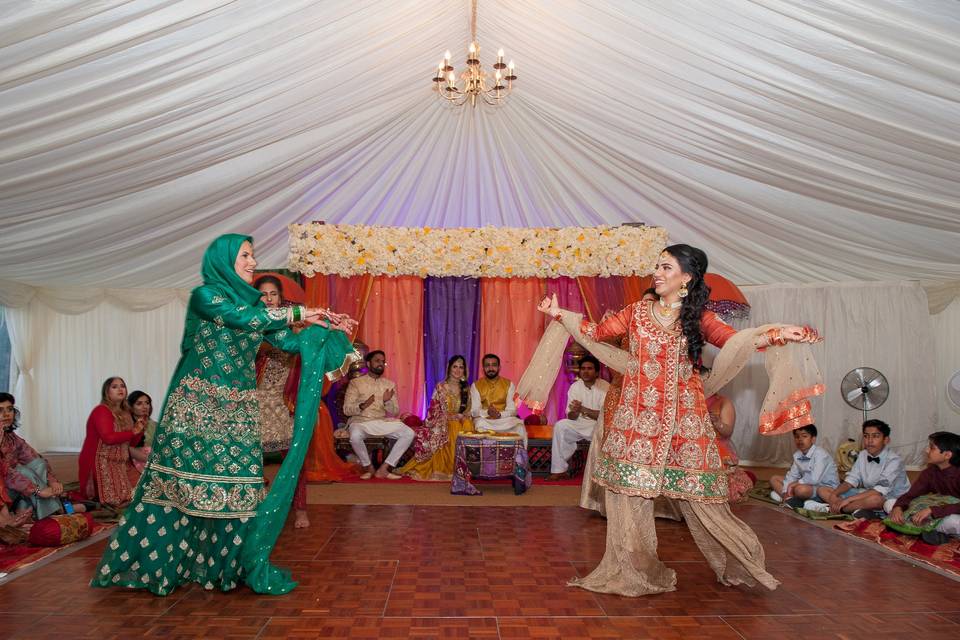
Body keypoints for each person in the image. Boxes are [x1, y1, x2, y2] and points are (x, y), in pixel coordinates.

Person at [530, 243, 823, 596]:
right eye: (657, 266)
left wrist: (776, 334)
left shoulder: (698, 317)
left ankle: (741, 563)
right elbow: (596, 332)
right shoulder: (637, 312)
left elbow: (735, 343)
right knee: (629, 495)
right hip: (636, 418)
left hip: (684, 419)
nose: (657, 272)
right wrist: (560, 312)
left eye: (667, 267)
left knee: (703, 498)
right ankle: (633, 571)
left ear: (687, 277)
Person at [91, 234, 358, 596]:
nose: (252, 261)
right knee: (181, 489)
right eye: (245, 255)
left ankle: (222, 568)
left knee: (237, 492)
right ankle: (158, 566)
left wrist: (330, 332)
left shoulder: (256, 312)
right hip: (195, 412)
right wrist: (299, 311)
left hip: (238, 415)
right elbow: (238, 317)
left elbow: (291, 343)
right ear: (224, 260)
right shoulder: (208, 297)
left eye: (253, 255)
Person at [255, 275, 316, 528]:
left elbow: (308, 353)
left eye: (273, 295)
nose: (268, 299)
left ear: (280, 298)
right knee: (249, 460)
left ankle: (300, 509)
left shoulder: (293, 322)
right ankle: (254, 506)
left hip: (284, 402)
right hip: (254, 401)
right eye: (263, 295)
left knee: (294, 460)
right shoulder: (249, 324)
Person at [399, 355, 473, 481]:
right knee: (453, 429)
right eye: (455, 366)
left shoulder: (466, 388)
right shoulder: (441, 387)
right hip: (443, 422)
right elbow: (433, 409)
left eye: (461, 367)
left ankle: (463, 469)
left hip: (462, 422)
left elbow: (469, 409)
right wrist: (449, 416)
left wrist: (463, 416)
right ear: (449, 368)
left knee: (467, 427)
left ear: (464, 370)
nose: (458, 370)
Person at [343, 350, 415, 480]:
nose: (381, 364)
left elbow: (395, 411)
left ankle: (384, 469)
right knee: (355, 436)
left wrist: (386, 401)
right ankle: (369, 467)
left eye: (383, 361)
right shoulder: (356, 383)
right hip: (360, 421)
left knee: (408, 433)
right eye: (377, 361)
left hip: (380, 422)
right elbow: (346, 409)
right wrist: (362, 406)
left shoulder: (389, 384)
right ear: (369, 363)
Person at [818, 419, 910, 518]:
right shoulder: (863, 454)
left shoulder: (894, 460)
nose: (869, 441)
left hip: (889, 499)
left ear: (886, 440)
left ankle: (841, 509)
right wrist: (834, 495)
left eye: (875, 436)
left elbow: (878, 491)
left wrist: (848, 500)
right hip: (866, 493)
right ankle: (847, 508)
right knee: (822, 490)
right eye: (866, 436)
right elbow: (851, 480)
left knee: (876, 500)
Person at [77, 377, 147, 508]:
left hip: (119, 462)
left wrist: (139, 430)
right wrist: (133, 431)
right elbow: (108, 438)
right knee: (115, 501)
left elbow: (130, 443)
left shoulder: (126, 413)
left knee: (134, 495)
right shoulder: (101, 411)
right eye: (114, 387)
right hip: (100, 461)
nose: (120, 389)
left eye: (122, 386)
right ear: (107, 392)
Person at [1, 392, 72, 519]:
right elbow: (8, 474)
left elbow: (34, 457)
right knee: (22, 470)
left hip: (18, 489)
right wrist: (39, 491)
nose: (6, 414)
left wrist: (52, 482)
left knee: (38, 463)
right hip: (2, 493)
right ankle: (57, 509)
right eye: (0, 410)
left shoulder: (10, 437)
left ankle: (28, 509)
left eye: (10, 409)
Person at [888, 431, 960, 545]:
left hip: (950, 514)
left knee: (955, 522)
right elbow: (911, 495)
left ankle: (929, 531)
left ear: (947, 455)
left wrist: (933, 510)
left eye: (932, 448)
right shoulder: (930, 472)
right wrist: (898, 507)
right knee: (890, 503)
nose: (926, 451)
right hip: (935, 514)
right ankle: (935, 533)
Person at [547, 355, 609, 481]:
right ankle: (559, 470)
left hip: (598, 425)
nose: (585, 371)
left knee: (605, 429)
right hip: (580, 423)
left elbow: (604, 416)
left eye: (589, 368)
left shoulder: (605, 387)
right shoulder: (575, 387)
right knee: (561, 425)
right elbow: (571, 416)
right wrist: (574, 411)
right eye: (583, 368)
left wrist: (583, 410)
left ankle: (601, 473)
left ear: (597, 372)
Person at [769, 424, 838, 510]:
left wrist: (795, 484)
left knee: (800, 490)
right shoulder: (797, 455)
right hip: (807, 484)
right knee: (774, 479)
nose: (800, 439)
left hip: (824, 488)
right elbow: (792, 476)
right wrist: (785, 491)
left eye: (804, 436)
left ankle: (804, 501)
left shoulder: (820, 454)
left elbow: (814, 479)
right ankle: (788, 498)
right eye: (797, 437)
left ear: (813, 439)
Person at [706, 393, 756, 504]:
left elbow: (728, 431)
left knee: (726, 493)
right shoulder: (690, 398)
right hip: (695, 450)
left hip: (719, 452)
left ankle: (745, 476)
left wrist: (718, 423)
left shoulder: (723, 402)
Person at [470, 354, 527, 445]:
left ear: (499, 367)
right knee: (479, 424)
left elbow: (513, 410)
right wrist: (487, 413)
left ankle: (518, 456)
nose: (491, 368)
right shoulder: (476, 385)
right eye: (487, 365)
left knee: (519, 426)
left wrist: (499, 414)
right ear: (483, 368)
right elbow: (474, 411)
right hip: (486, 421)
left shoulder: (509, 384)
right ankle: (485, 455)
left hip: (504, 420)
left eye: (494, 365)